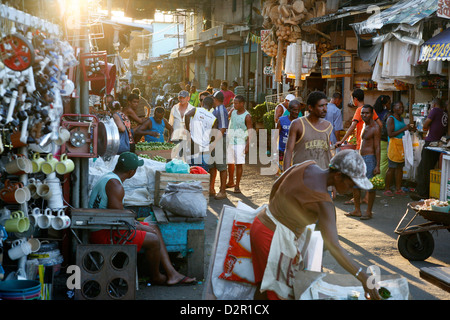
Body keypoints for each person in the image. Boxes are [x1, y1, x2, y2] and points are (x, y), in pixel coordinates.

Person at [250, 149, 382, 300]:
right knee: (278, 292)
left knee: (264, 286)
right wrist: (362, 276)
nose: (351, 189)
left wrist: (279, 213)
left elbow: (275, 186)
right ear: (338, 176)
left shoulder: (307, 165)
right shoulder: (323, 202)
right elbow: (334, 246)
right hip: (271, 239)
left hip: (260, 223)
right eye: (351, 184)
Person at [88, 152, 197, 286]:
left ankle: (172, 274)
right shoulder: (115, 185)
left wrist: (141, 225)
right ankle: (156, 276)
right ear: (131, 172)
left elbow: (117, 214)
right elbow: (120, 220)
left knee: (154, 228)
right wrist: (141, 226)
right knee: (153, 239)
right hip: (103, 233)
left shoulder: (109, 178)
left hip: (105, 225)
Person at [345, 105, 381, 220]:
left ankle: (369, 211)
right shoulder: (364, 125)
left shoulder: (375, 128)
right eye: (363, 113)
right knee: (356, 185)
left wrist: (378, 165)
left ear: (372, 114)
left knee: (370, 187)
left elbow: (377, 147)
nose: (364, 115)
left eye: (367, 113)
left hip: (370, 159)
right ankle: (357, 210)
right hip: (361, 158)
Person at [283, 91, 332, 171]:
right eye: (321, 106)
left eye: (326, 105)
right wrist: (285, 176)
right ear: (310, 107)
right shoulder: (298, 124)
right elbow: (288, 151)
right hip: (302, 176)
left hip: (322, 176)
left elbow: (327, 151)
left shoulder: (328, 126)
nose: (325, 109)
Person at [411, 98, 448, 200]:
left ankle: (422, 193)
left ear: (434, 104)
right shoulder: (445, 113)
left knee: (424, 168)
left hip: (430, 143)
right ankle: (426, 191)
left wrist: (429, 114)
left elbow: (425, 125)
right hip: (437, 143)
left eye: (431, 106)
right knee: (429, 167)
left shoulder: (435, 111)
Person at [384, 101, 415, 196]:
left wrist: (410, 128)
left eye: (402, 107)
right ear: (393, 109)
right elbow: (390, 134)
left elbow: (403, 130)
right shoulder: (391, 119)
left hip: (401, 145)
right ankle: (387, 188)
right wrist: (405, 128)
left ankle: (398, 188)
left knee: (400, 168)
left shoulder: (401, 118)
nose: (402, 109)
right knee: (392, 168)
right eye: (399, 107)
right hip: (393, 145)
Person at [226, 95, 253, 193]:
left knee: (239, 164)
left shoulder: (247, 116)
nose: (234, 105)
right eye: (233, 103)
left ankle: (237, 185)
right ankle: (230, 182)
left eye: (236, 103)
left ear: (242, 104)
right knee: (230, 163)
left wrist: (247, 146)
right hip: (230, 140)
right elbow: (227, 116)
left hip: (240, 142)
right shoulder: (233, 111)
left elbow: (250, 132)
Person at [184, 95, 218, 172]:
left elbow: (187, 115)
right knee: (202, 172)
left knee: (191, 170)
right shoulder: (213, 118)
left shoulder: (196, 110)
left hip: (193, 144)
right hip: (204, 148)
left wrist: (188, 132)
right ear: (212, 106)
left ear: (202, 103)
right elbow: (214, 135)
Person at [209, 91, 229, 200]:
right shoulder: (217, 109)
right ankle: (211, 188)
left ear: (216, 99)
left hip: (220, 139)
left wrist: (215, 142)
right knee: (212, 165)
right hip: (215, 139)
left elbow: (223, 128)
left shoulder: (221, 109)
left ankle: (222, 190)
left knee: (221, 166)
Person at [276, 100, 301, 175]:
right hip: (282, 152)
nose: (297, 112)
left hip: (295, 153)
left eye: (298, 110)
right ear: (289, 110)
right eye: (294, 110)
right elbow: (275, 136)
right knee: (282, 175)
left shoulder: (300, 122)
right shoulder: (281, 120)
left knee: (294, 175)